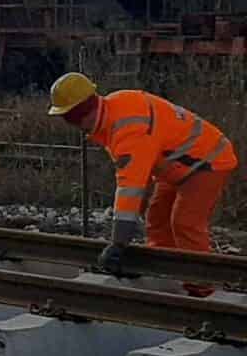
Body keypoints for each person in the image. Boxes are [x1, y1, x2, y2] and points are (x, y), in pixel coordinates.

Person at [49, 72, 236, 294]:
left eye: (69, 118)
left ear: (81, 112)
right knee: (157, 219)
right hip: (179, 165)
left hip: (208, 162)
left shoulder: (127, 129)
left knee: (185, 222)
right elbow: (138, 174)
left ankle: (201, 287)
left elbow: (131, 187)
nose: (72, 125)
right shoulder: (115, 108)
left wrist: (119, 244)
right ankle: (165, 272)